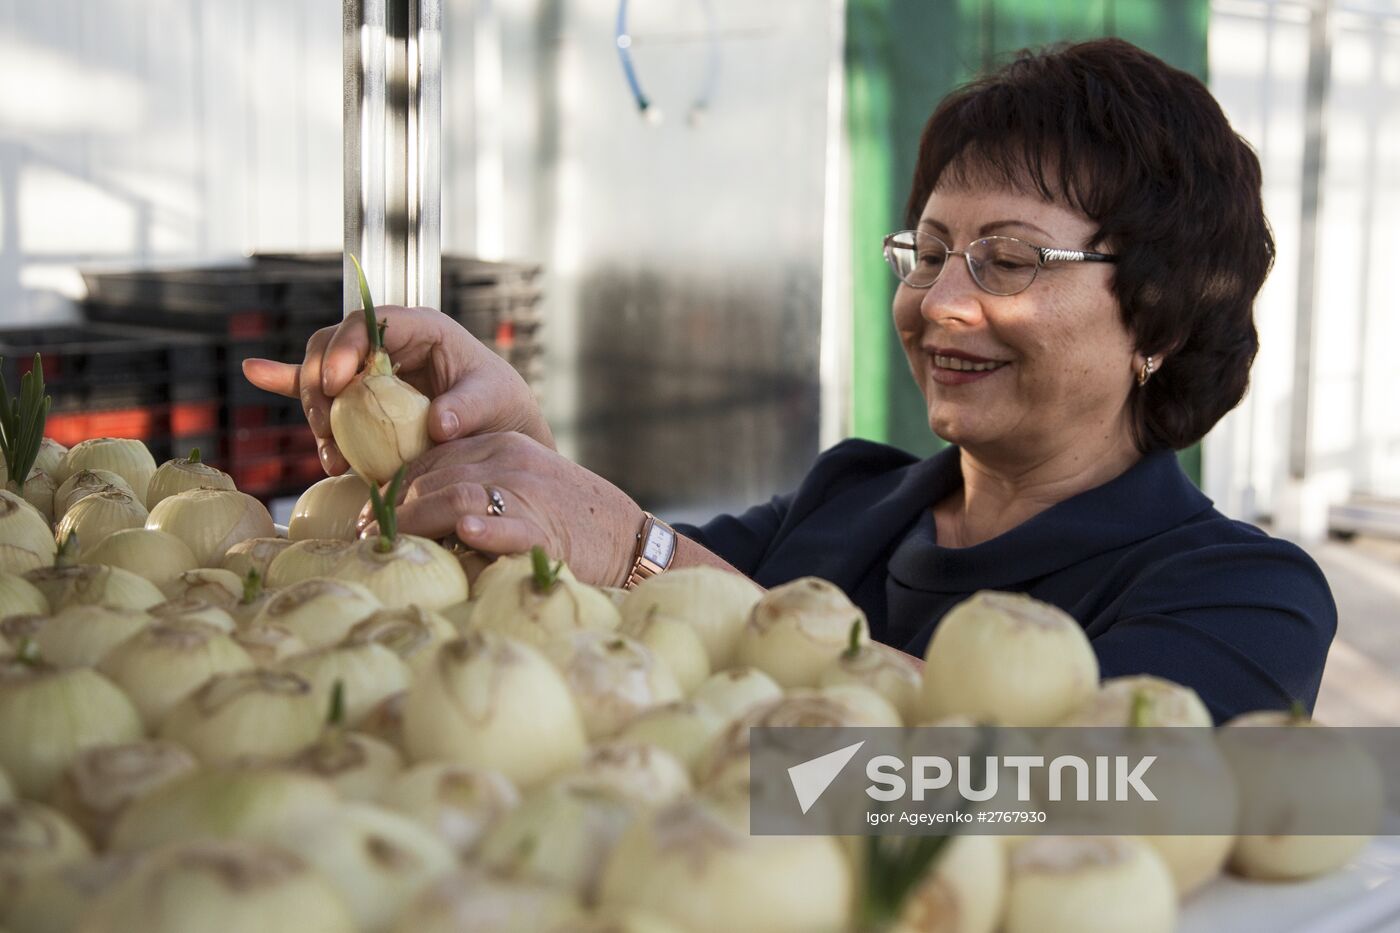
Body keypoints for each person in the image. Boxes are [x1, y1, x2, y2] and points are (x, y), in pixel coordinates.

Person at [244, 38, 1335, 723]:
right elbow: (637, 630)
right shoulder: (849, 501)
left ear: (1157, 312)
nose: (939, 303)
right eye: (927, 250)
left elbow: (1066, 801)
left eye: (1007, 260)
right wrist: (500, 454)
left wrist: (636, 550)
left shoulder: (1242, 594)